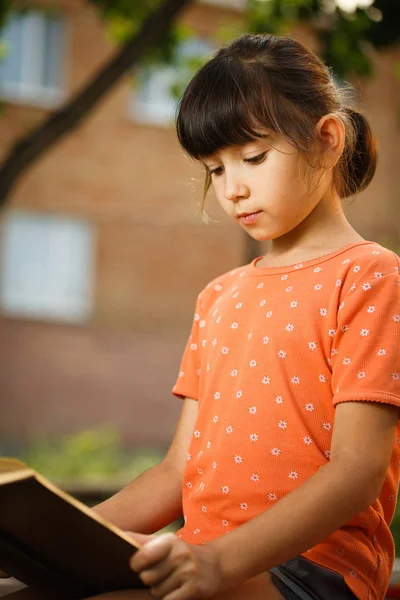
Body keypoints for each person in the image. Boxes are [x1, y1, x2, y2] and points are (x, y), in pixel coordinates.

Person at [4, 33, 400, 600]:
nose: (232, 189)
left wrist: (219, 562)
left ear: (329, 139)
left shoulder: (371, 276)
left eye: (254, 157)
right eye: (214, 170)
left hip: (313, 569)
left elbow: (357, 472)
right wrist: (48, 544)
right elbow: (175, 473)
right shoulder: (219, 297)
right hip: (202, 556)